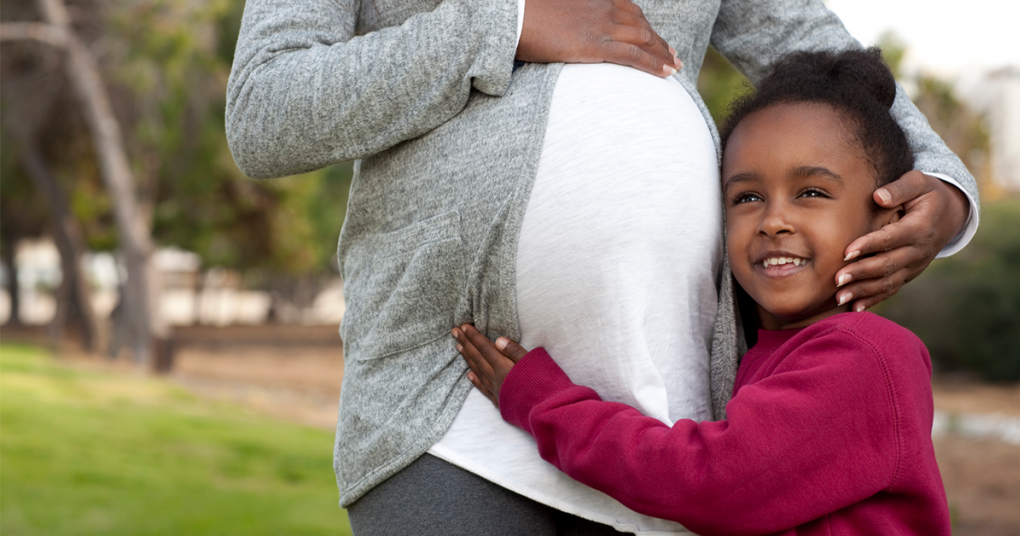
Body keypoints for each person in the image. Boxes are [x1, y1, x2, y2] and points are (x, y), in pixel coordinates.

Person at [226, 0, 976, 532]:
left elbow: (815, 48)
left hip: (669, 393)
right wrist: (506, 22)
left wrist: (943, 184)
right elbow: (265, 113)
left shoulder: (867, 365)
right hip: (450, 391)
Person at [453, 48, 950, 535]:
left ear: (888, 219)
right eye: (747, 197)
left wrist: (544, 404)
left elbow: (709, 483)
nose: (773, 221)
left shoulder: (869, 358)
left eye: (811, 193)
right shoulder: (757, 353)